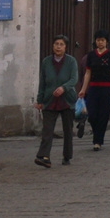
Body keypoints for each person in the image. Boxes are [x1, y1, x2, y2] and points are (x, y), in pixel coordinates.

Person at [35, 35, 79, 168]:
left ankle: (67, 156)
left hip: (67, 100)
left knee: (67, 130)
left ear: (65, 47)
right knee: (47, 130)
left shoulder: (71, 61)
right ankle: (44, 156)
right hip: (50, 99)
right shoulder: (46, 62)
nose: (58, 47)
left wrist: (64, 88)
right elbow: (42, 82)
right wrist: (40, 100)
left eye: (61, 44)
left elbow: (74, 79)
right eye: (56, 44)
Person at [77, 29, 110, 151]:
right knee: (92, 114)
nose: (100, 42)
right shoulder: (91, 55)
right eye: (98, 40)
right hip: (93, 87)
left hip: (107, 88)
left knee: (103, 115)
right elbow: (87, 73)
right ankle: (95, 131)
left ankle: (98, 141)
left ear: (106, 42)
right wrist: (83, 90)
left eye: (102, 40)